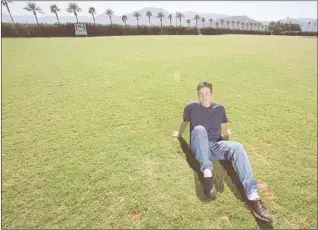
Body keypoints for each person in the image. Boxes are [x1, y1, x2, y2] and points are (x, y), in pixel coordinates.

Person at [172, 81, 273, 223]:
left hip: (214, 146)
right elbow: (184, 123)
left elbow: (224, 130)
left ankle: (253, 195)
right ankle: (207, 174)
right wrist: (179, 134)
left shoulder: (220, 108)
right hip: (198, 146)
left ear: (211, 94)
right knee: (200, 129)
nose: (204, 96)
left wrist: (227, 140)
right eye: (201, 94)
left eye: (207, 93)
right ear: (198, 95)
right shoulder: (191, 107)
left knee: (238, 147)